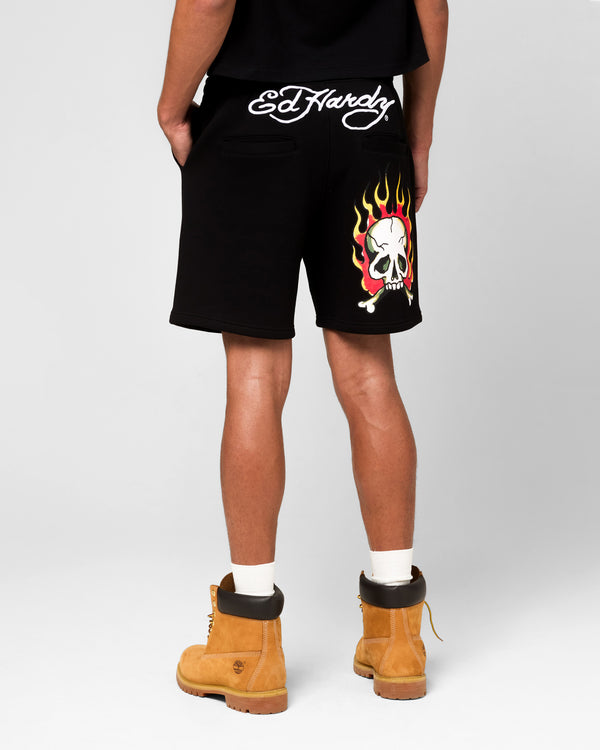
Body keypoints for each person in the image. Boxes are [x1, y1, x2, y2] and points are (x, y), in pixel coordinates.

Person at [157, 0, 448, 714]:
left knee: (256, 374)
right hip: (368, 123)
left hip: (252, 122)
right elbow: (431, 4)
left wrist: (171, 107)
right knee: (370, 377)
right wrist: (416, 136)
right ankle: (397, 639)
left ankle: (249, 646)